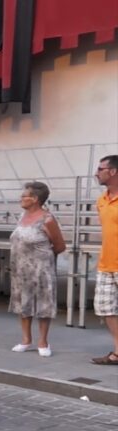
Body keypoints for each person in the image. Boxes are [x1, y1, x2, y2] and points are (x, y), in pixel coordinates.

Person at [7, 182, 66, 357]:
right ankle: (26, 339)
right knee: (23, 303)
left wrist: (42, 257)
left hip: (41, 269)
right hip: (21, 269)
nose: (21, 199)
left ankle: (43, 341)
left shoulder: (47, 219)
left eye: (24, 196)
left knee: (43, 304)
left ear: (35, 199)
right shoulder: (22, 216)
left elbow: (60, 245)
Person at [93, 155, 118, 365]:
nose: (96, 173)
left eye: (100, 169)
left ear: (113, 172)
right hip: (106, 264)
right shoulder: (101, 200)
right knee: (105, 308)